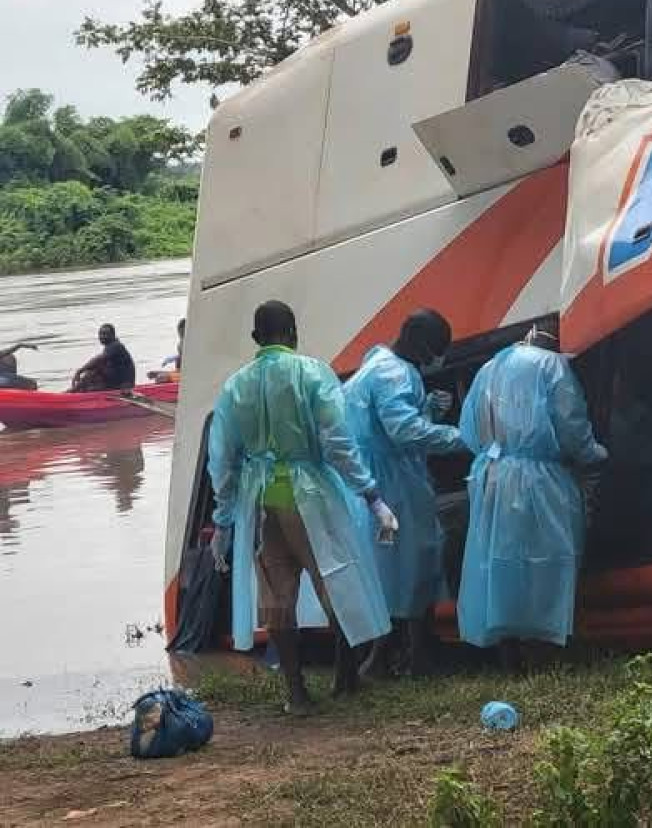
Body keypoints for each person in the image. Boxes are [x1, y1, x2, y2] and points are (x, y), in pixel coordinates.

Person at [207, 301, 398, 715]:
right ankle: (345, 677)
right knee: (335, 579)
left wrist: (223, 522)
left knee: (277, 593)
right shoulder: (312, 373)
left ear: (255, 338)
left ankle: (296, 693)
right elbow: (338, 442)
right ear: (294, 333)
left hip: (262, 498)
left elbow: (221, 460)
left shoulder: (234, 387)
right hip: (308, 491)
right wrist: (371, 494)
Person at [457, 321, 608, 666]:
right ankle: (545, 647)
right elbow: (571, 424)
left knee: (499, 564)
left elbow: (468, 430)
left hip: (491, 475)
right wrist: (593, 454)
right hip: (540, 477)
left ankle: (509, 650)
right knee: (546, 560)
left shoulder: (488, 368)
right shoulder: (552, 366)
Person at [345, 309, 465, 677]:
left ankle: (395, 655)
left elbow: (387, 423)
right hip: (395, 484)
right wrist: (460, 437)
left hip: (373, 481)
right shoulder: (394, 373)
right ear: (419, 343)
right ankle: (410, 657)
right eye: (437, 350)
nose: (437, 359)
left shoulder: (375, 363)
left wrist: (426, 409)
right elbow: (404, 431)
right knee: (414, 563)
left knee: (390, 568)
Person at [72, 324, 135, 392]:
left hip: (124, 385)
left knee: (95, 368)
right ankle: (75, 391)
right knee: (94, 369)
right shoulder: (110, 347)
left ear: (113, 335)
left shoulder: (116, 346)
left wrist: (80, 371)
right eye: (100, 334)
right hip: (115, 381)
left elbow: (99, 359)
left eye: (105, 334)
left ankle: (75, 392)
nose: (102, 337)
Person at [150, 319, 186, 384]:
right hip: (182, 372)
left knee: (160, 378)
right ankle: (170, 375)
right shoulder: (180, 344)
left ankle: (170, 377)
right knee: (153, 374)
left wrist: (169, 376)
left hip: (191, 375)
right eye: (180, 333)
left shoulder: (194, 344)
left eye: (182, 333)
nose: (180, 335)